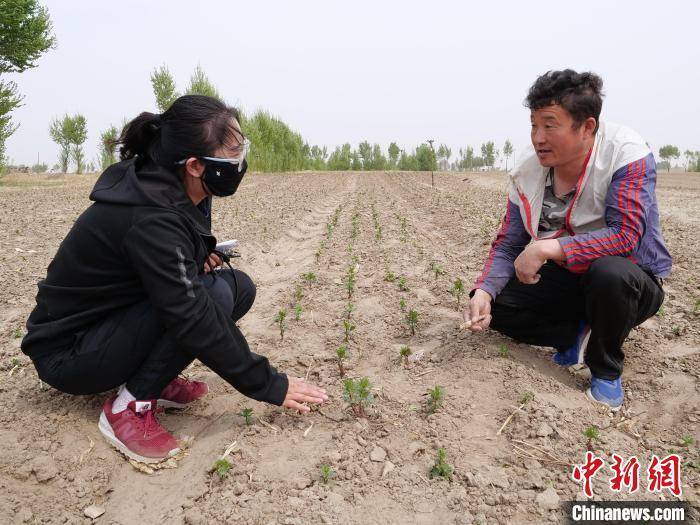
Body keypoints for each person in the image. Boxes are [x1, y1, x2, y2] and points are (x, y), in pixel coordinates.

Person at [21, 95, 328, 463]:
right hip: (70, 354)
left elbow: (162, 264)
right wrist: (268, 383)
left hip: (111, 321)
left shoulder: (180, 188)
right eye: (232, 152)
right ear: (197, 165)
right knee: (208, 300)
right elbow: (191, 313)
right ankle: (128, 406)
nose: (239, 162)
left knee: (237, 288)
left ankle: (154, 375)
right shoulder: (150, 215)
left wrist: (198, 257)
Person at [466, 70, 671, 411]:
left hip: (631, 281)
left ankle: (605, 371)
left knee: (610, 273)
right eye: (533, 125)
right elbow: (508, 242)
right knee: (496, 305)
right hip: (570, 278)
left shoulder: (625, 154)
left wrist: (547, 246)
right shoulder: (527, 171)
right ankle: (573, 336)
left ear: (587, 127)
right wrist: (484, 290)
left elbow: (626, 236)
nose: (538, 137)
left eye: (550, 125)